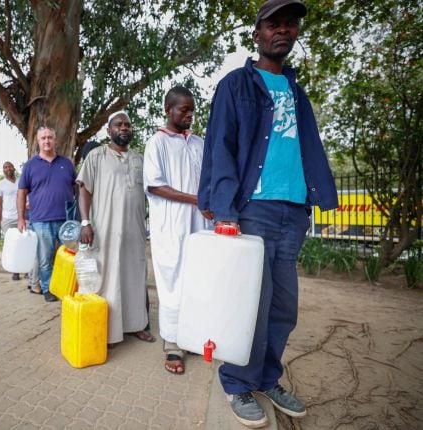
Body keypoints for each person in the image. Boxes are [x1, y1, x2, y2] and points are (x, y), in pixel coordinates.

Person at [197, 1, 338, 427]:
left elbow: (308, 150)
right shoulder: (236, 85)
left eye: (290, 24)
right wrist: (226, 209)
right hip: (253, 211)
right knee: (249, 306)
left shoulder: (297, 92)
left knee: (283, 307)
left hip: (292, 212)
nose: (283, 30)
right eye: (273, 24)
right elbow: (220, 148)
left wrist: (315, 199)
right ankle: (238, 383)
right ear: (256, 33)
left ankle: (268, 378)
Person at [143, 86, 208, 374]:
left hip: (200, 223)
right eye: (184, 110)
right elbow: (154, 185)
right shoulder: (156, 143)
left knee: (197, 279)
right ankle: (172, 344)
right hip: (171, 225)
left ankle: (194, 336)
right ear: (168, 109)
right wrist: (196, 200)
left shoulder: (199, 143)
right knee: (172, 281)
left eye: (192, 110)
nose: (189, 115)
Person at [77, 111, 155, 345]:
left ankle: (136, 325)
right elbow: (84, 190)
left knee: (133, 276)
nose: (124, 128)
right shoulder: (96, 156)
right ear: (109, 131)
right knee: (106, 277)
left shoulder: (140, 160)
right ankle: (104, 329)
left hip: (134, 232)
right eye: (118, 125)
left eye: (127, 125)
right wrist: (85, 222)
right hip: (105, 229)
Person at [17, 126, 77, 302]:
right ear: (38, 141)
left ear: (55, 139)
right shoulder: (30, 166)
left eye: (50, 137)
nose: (47, 141)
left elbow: (76, 187)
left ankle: (64, 287)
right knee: (44, 259)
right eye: (43, 138)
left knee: (66, 257)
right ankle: (48, 289)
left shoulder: (66, 163)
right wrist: (21, 218)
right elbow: (21, 192)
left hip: (66, 220)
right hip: (41, 220)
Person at [0, 161, 21, 281]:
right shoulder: (0, 185)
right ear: (3, 170)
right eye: (5, 167)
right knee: (12, 245)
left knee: (23, 244)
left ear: (14, 168)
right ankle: (15, 271)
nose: (8, 168)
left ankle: (26, 268)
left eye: (9, 166)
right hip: (8, 218)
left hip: (22, 217)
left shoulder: (21, 181)